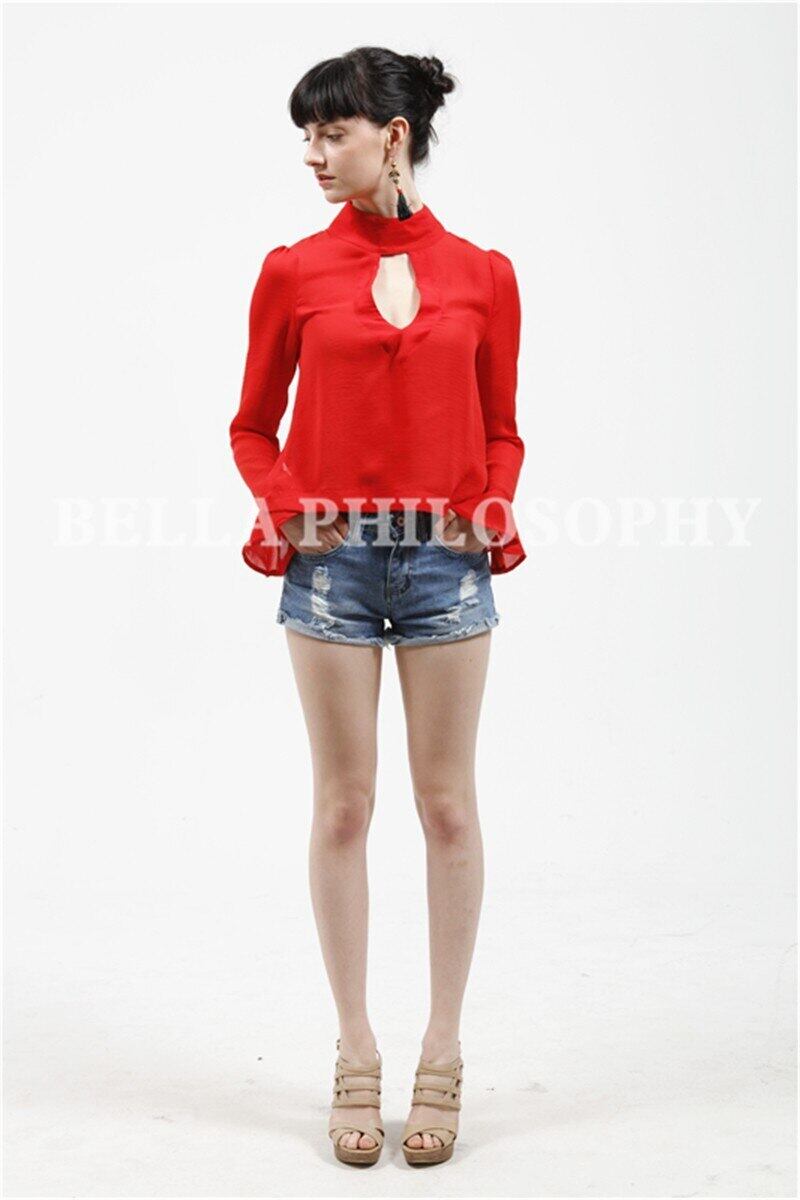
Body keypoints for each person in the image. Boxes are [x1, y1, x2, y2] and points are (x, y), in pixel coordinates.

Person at [228, 46, 526, 1168]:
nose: (313, 154)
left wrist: (490, 505)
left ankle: (441, 1047)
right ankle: (355, 1044)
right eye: (306, 135)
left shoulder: (483, 274)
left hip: (446, 561)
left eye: (332, 133)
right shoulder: (293, 271)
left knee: (446, 808)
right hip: (332, 567)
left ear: (392, 136)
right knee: (343, 808)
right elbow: (251, 426)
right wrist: (287, 506)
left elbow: (502, 427)